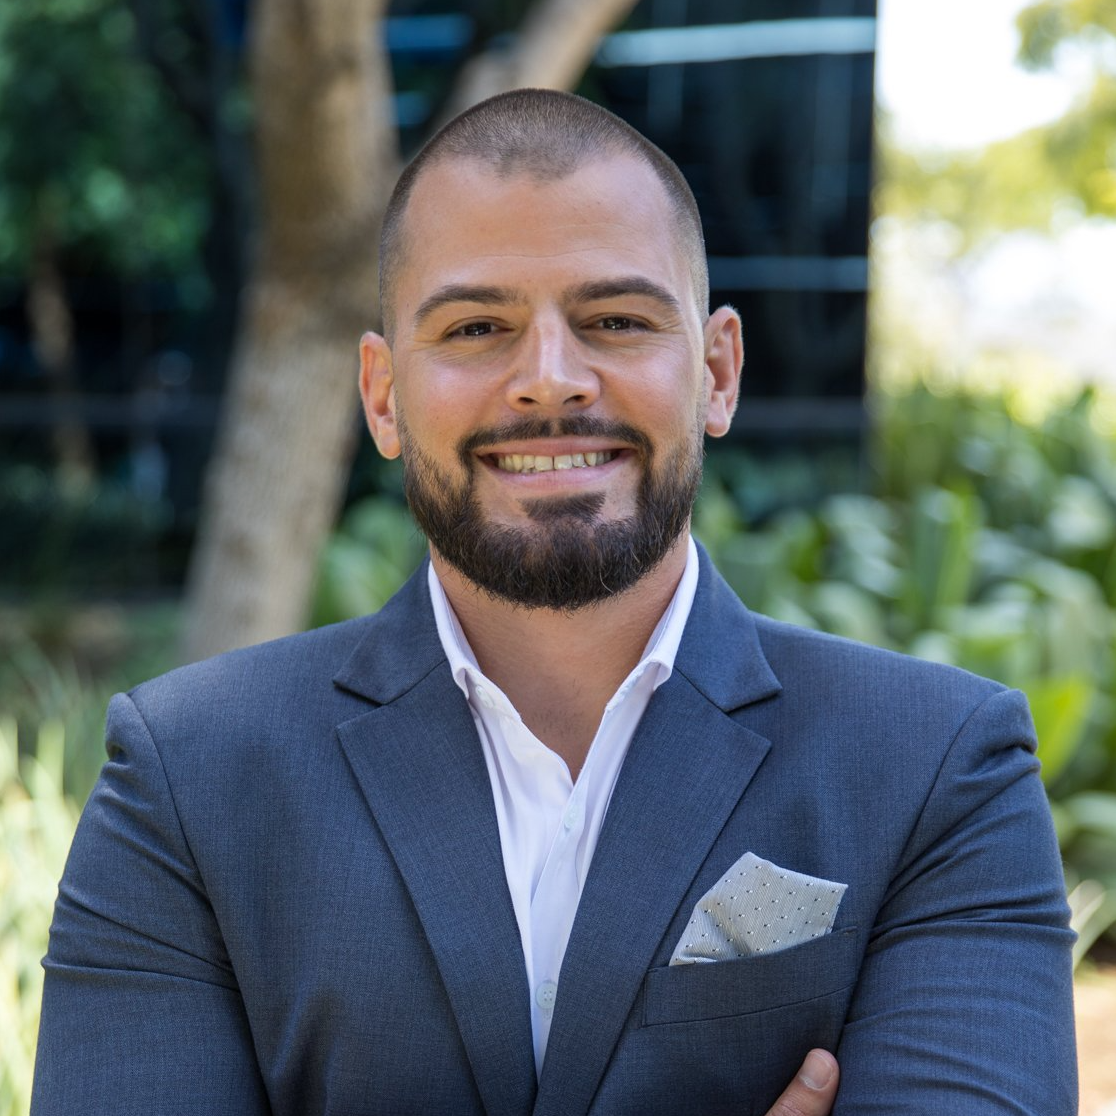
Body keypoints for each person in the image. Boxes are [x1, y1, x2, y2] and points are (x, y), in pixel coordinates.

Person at [32, 89, 1075, 1115]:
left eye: (615, 319)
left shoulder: (940, 767)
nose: (548, 380)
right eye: (478, 327)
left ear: (716, 372)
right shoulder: (190, 779)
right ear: (384, 396)